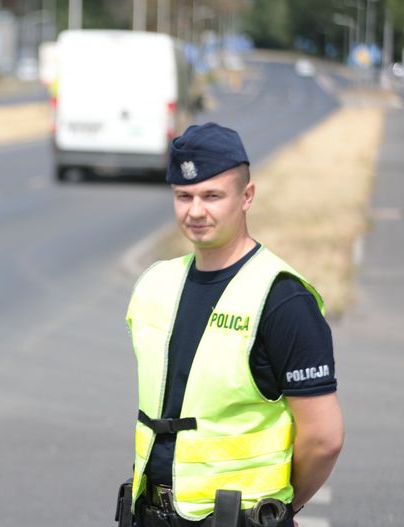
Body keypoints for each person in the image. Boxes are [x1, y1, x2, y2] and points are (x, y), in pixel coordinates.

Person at [118, 123, 344, 527]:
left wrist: (279, 510)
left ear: (247, 196)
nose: (196, 211)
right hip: (148, 513)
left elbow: (323, 438)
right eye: (183, 196)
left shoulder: (281, 298)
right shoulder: (156, 283)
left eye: (212, 196)